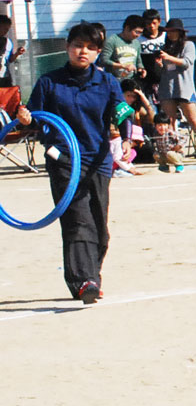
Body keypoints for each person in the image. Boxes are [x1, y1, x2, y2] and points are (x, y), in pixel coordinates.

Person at [15, 22, 123, 302]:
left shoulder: (107, 82)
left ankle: (92, 276)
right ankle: (83, 281)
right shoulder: (49, 82)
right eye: (77, 45)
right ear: (67, 47)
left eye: (90, 47)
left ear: (98, 52)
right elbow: (34, 118)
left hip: (97, 160)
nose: (82, 51)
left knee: (99, 226)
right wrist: (25, 118)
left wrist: (127, 135)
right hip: (63, 158)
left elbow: (122, 112)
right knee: (78, 220)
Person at [154, 18, 196, 156]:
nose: (170, 34)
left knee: (192, 117)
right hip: (167, 87)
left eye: (173, 31)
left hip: (184, 87)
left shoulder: (189, 45)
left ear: (180, 32)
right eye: (168, 32)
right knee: (170, 120)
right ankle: (173, 147)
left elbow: (187, 62)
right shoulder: (165, 47)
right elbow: (162, 71)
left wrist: (169, 58)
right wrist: (159, 64)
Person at [100, 14, 144, 83]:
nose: (138, 35)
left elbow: (139, 62)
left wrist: (141, 70)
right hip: (114, 80)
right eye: (136, 32)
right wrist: (122, 66)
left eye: (140, 33)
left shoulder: (136, 43)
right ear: (127, 28)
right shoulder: (112, 40)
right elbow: (104, 60)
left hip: (131, 81)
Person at [0, 13, 22, 87]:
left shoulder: (8, 42)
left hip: (5, 78)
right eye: (4, 28)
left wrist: (17, 53)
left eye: (7, 29)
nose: (6, 31)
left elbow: (9, 59)